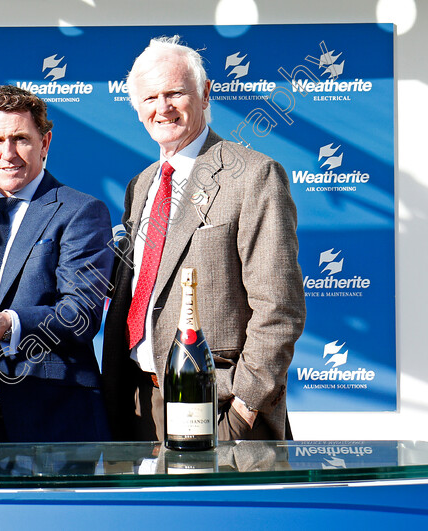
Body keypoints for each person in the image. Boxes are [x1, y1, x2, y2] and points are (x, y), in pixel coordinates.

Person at [102, 36, 306, 442]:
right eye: (150, 98)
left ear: (206, 92)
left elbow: (279, 307)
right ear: (136, 107)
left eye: (176, 93)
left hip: (220, 408)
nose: (163, 108)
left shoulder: (253, 176)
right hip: (141, 405)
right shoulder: (141, 185)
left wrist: (243, 410)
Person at [0, 85, 114, 443]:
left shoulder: (80, 212)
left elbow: (81, 312)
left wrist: (8, 324)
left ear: (45, 143)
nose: (8, 154)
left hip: (53, 417)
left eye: (21, 139)